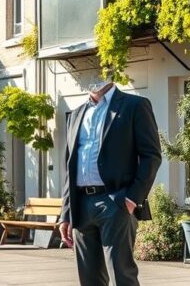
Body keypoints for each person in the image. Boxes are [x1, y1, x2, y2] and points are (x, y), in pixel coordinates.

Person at [58, 80, 161, 286]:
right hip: (81, 206)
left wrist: (132, 198)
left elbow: (152, 156)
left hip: (116, 202)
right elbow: (70, 167)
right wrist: (66, 212)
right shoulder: (76, 113)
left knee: (121, 276)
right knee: (89, 279)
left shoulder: (134, 106)